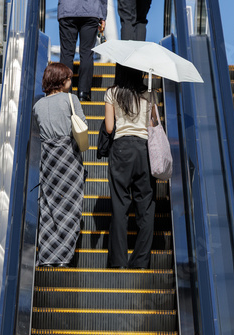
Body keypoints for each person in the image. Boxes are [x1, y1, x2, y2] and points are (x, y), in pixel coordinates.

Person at [33, 63, 87, 267]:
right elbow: (82, 125)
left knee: (48, 206)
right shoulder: (70, 99)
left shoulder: (37, 106)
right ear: (61, 80)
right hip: (69, 160)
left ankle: (46, 255)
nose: (70, 82)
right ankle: (64, 255)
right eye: (68, 78)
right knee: (71, 207)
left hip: (49, 161)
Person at [104, 64, 156, 269]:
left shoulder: (112, 92)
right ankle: (141, 261)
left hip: (121, 149)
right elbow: (152, 126)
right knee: (146, 207)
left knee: (119, 205)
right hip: (144, 150)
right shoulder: (149, 94)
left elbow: (109, 127)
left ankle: (118, 262)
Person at [58, 0, 107, 101]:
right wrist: (102, 15)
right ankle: (83, 93)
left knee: (67, 53)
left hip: (68, 10)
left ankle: (65, 91)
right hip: (91, 10)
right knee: (87, 53)